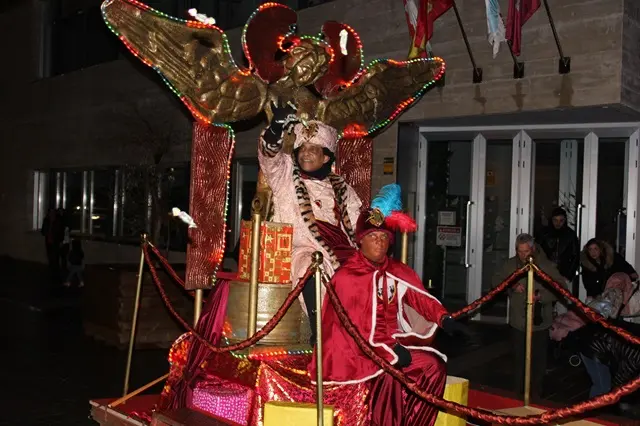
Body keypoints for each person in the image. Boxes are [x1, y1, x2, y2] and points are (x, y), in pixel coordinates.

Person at [310, 185, 471, 426]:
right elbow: (356, 330)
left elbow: (419, 298)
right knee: (390, 373)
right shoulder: (347, 277)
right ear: (360, 241)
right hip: (353, 353)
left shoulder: (396, 270)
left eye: (384, 237)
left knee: (434, 367)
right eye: (372, 237)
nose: (379, 242)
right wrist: (390, 351)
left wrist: (443, 318)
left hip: (391, 345)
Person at [258, 105, 362, 343]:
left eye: (312, 149)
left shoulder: (342, 187)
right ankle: (321, 331)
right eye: (302, 149)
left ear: (326, 157)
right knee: (310, 263)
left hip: (343, 250)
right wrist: (276, 127)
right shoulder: (286, 176)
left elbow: (358, 223)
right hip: (304, 247)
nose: (305, 154)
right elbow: (270, 157)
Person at [492, 233, 567, 399]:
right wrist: (511, 285)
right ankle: (516, 394)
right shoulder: (510, 265)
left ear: (532, 249)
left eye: (526, 251)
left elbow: (561, 287)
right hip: (518, 322)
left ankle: (536, 394)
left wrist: (540, 295)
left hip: (540, 322)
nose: (522, 255)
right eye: (519, 251)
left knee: (538, 362)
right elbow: (496, 280)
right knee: (518, 360)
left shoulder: (545, 265)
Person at [537, 207, 580, 283]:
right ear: (551, 220)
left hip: (563, 274)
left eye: (561, 220)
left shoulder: (570, 235)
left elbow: (576, 257)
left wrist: (568, 276)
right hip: (545, 272)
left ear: (565, 220)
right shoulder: (544, 233)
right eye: (555, 220)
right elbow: (537, 252)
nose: (558, 223)